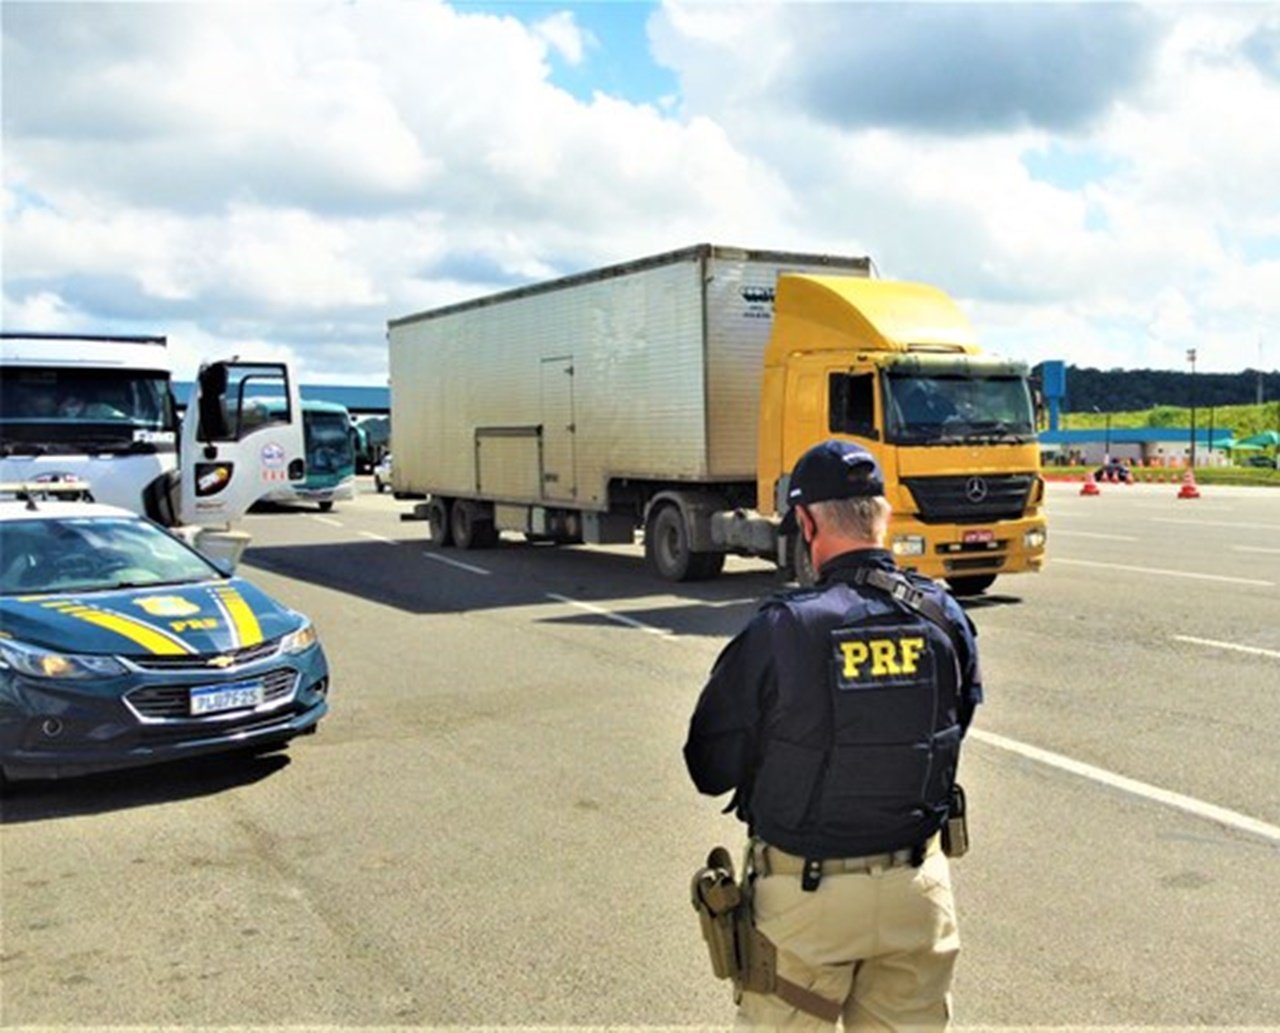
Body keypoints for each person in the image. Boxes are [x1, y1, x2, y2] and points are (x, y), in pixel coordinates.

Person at [684, 439, 983, 1030]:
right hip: (915, 893)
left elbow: (708, 765)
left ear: (805, 521)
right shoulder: (943, 618)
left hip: (806, 901)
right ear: (884, 513)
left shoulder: (783, 628)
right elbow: (954, 725)